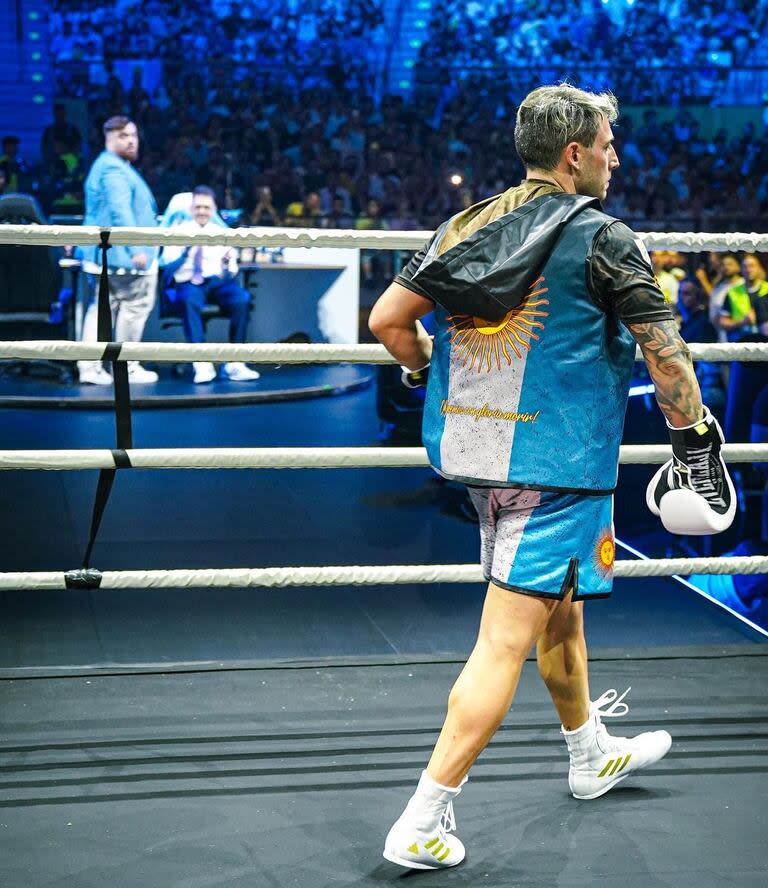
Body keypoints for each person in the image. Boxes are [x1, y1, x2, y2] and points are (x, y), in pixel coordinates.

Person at [369, 84, 734, 871]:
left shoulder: (466, 223)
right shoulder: (605, 237)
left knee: (559, 610)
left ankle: (588, 752)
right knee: (504, 639)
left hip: (479, 454)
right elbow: (665, 356)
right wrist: (697, 443)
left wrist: (430, 371)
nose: (614, 156)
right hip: (561, 466)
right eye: (606, 143)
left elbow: (388, 323)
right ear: (575, 153)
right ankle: (423, 816)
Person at [77, 116, 160, 385]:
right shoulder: (112, 169)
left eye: (134, 135)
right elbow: (120, 211)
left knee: (101, 308)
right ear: (109, 138)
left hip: (111, 254)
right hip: (122, 256)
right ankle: (126, 366)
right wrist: (136, 247)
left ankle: (92, 368)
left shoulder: (109, 165)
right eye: (124, 136)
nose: (132, 141)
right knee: (132, 307)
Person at [161, 185, 259, 384]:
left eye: (206, 207)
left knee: (242, 298)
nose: (202, 211)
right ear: (191, 209)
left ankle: (235, 362)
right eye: (198, 207)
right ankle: (201, 362)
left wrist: (228, 266)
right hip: (189, 282)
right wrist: (185, 253)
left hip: (217, 282)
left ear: (213, 209)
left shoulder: (221, 233)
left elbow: (232, 270)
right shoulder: (178, 232)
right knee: (188, 299)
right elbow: (167, 269)